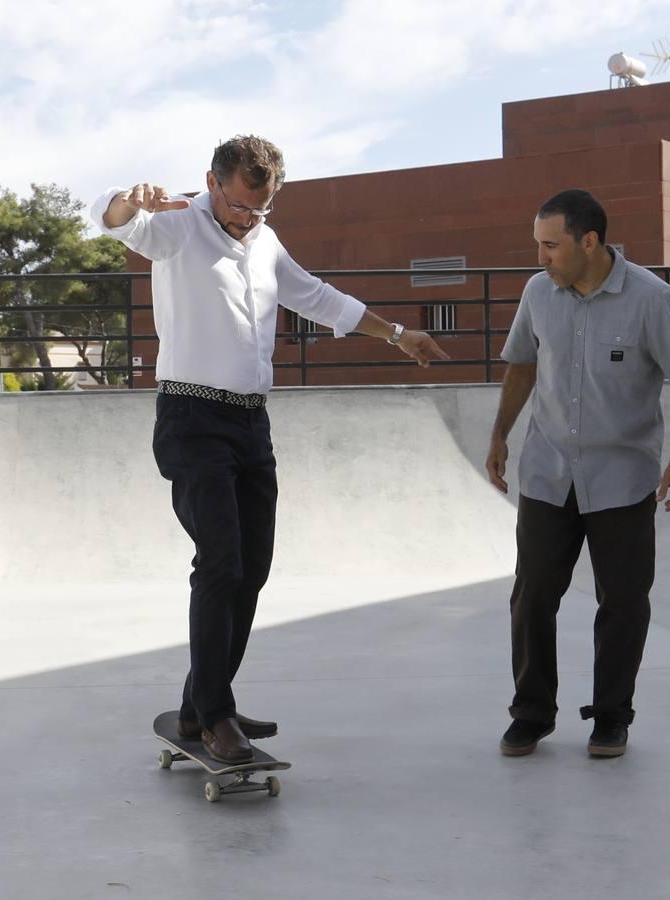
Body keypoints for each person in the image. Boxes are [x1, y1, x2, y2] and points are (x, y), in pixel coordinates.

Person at [92, 135, 449, 764]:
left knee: (252, 566)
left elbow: (315, 296)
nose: (247, 219)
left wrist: (397, 334)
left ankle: (199, 703)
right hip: (191, 418)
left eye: (261, 209)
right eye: (238, 206)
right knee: (221, 562)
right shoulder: (177, 226)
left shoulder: (264, 242)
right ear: (212, 182)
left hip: (251, 425)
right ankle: (215, 716)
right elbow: (115, 223)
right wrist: (126, 199)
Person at [485, 189, 670, 759]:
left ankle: (611, 717)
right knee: (532, 597)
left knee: (624, 602)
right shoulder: (538, 293)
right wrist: (499, 434)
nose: (541, 257)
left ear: (589, 241)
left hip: (622, 478)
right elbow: (522, 364)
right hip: (548, 472)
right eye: (537, 244)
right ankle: (530, 713)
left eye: (550, 245)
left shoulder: (652, 300)